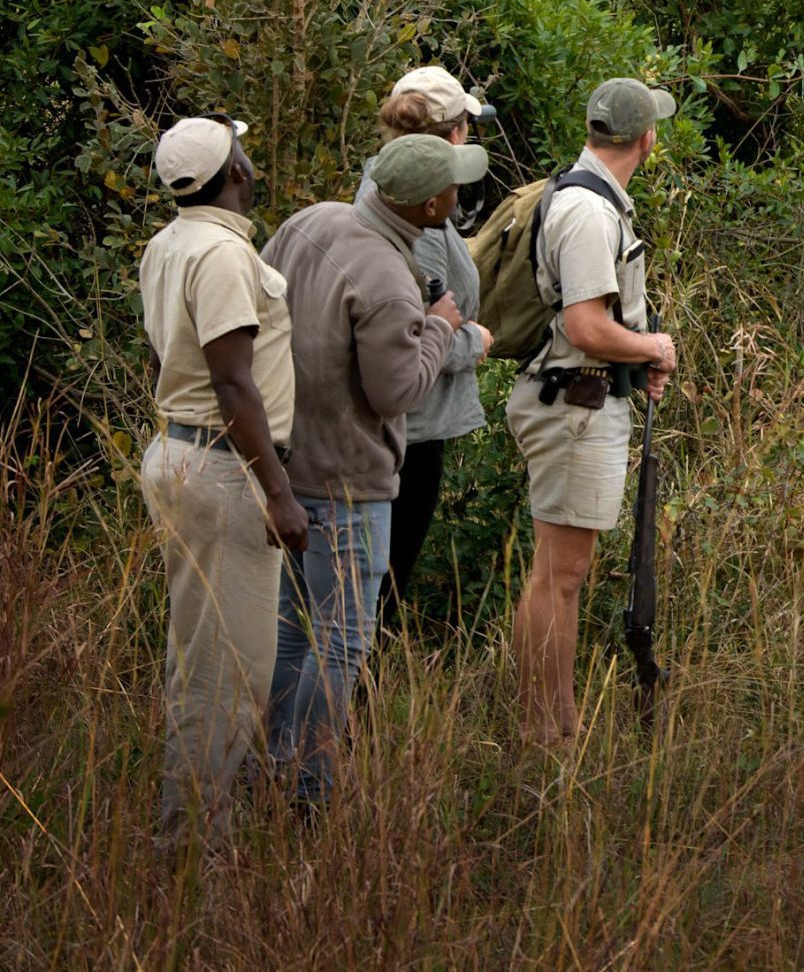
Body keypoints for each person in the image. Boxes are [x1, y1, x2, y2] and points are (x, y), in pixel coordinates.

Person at [260, 131, 489, 804]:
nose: (460, 193)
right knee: (343, 643)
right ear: (427, 206)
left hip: (291, 470)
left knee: (293, 633)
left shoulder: (311, 222)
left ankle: (273, 765)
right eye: (452, 187)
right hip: (351, 486)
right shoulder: (391, 280)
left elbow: (262, 300)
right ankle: (310, 790)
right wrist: (443, 325)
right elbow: (396, 392)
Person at [135, 116, 306, 842]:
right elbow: (233, 384)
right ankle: (194, 850)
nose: (249, 153)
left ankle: (195, 833)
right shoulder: (223, 256)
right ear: (232, 170)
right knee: (228, 675)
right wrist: (278, 491)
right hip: (222, 467)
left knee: (199, 658)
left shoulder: (169, 242)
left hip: (178, 450)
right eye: (242, 146)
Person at [507, 77, 678, 747]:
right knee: (561, 578)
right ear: (646, 138)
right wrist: (652, 345)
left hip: (576, 398)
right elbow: (585, 326)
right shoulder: (589, 211)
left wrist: (636, 362)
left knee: (557, 575)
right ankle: (546, 730)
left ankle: (551, 723)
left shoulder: (591, 199)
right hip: (573, 404)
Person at [371, 67, 497, 618]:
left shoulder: (402, 197)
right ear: (450, 136)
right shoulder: (413, 215)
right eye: (466, 126)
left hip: (409, 420)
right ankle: (351, 698)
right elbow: (412, 333)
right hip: (409, 426)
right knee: (382, 585)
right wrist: (474, 342)